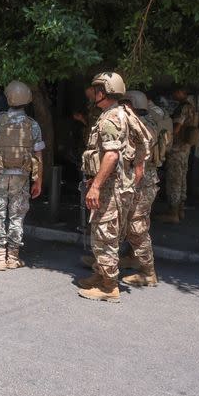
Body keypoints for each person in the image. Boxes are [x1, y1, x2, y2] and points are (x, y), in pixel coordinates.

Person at [77, 72, 136, 302]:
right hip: (114, 185)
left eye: (96, 89)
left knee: (105, 235)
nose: (93, 94)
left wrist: (96, 187)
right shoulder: (118, 114)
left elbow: (111, 155)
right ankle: (100, 275)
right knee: (102, 233)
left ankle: (109, 287)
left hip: (111, 188)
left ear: (104, 92)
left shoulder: (111, 118)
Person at [0, 81, 44, 271]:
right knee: (17, 214)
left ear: (8, 98)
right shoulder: (33, 125)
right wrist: (38, 179)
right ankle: (13, 257)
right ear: (28, 100)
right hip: (22, 176)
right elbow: (38, 155)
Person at [119, 90, 160, 287]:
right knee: (127, 222)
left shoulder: (144, 127)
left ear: (132, 105)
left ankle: (148, 272)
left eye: (124, 103)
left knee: (137, 226)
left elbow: (137, 158)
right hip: (137, 182)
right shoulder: (142, 123)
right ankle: (132, 258)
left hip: (142, 183)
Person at [161, 86, 199, 223]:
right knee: (182, 178)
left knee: (174, 179)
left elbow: (176, 128)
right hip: (185, 149)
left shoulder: (183, 107)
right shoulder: (193, 108)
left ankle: (173, 212)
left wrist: (166, 141)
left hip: (177, 148)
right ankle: (180, 209)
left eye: (176, 91)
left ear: (182, 92)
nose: (174, 94)